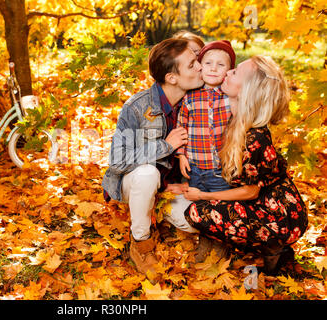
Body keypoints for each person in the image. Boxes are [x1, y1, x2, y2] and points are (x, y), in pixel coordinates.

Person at [179, 55, 308, 275]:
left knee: (197, 213)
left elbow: (250, 191)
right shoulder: (234, 120)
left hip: (279, 215)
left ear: (248, 90)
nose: (227, 72)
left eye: (235, 72)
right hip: (261, 204)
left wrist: (202, 195)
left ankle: (273, 247)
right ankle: (265, 246)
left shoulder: (256, 137)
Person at [101, 38, 203, 282]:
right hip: (135, 181)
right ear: (172, 78)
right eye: (192, 65)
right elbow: (117, 160)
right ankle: (141, 242)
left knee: (195, 224)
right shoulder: (137, 107)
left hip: (172, 188)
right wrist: (166, 145)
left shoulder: (199, 101)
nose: (199, 67)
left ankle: (158, 210)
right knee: (147, 174)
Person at [177, 40, 236, 193]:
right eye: (208, 63)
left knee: (219, 206)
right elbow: (181, 127)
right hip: (194, 168)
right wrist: (182, 156)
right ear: (200, 66)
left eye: (221, 65)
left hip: (221, 170)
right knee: (195, 207)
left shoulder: (230, 97)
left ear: (229, 70)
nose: (213, 68)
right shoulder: (189, 97)